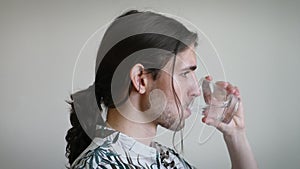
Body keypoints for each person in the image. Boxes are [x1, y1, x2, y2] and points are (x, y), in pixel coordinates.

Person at [65, 10, 258, 169]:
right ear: (140, 80)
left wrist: (236, 137)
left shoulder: (166, 160)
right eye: (184, 74)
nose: (196, 90)